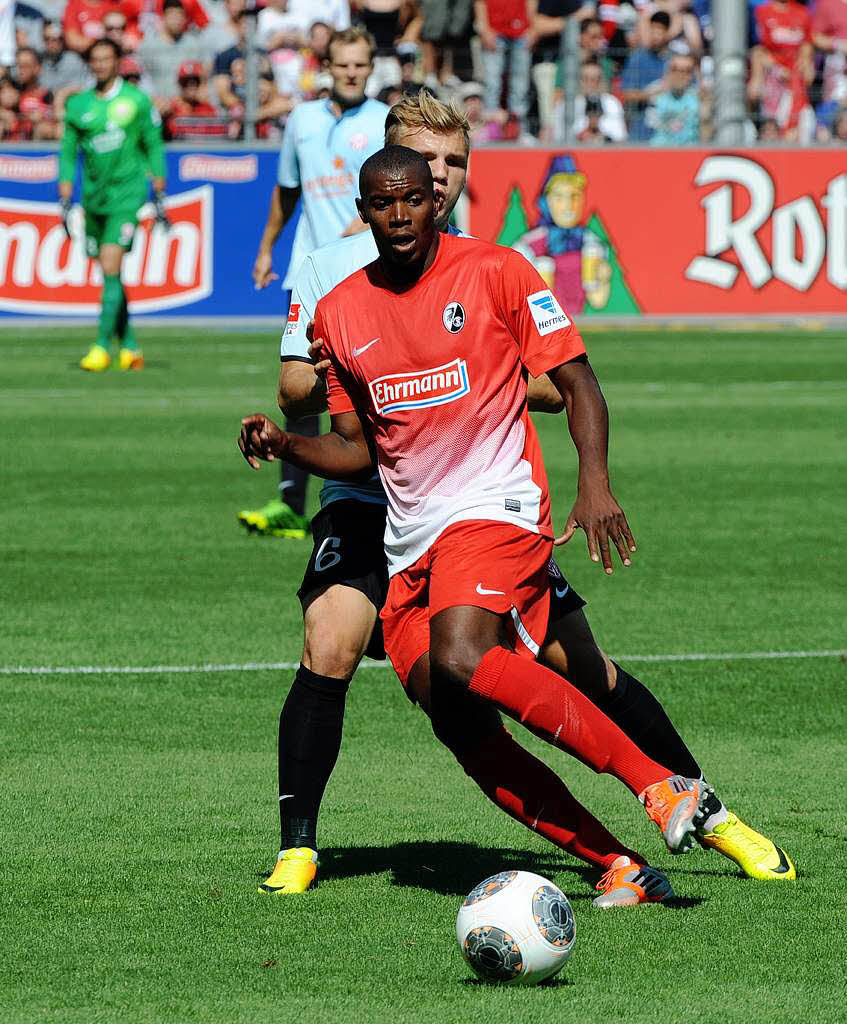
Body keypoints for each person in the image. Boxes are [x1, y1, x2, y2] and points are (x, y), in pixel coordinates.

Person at [241, 111, 795, 896]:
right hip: (410, 542)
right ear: (360, 211)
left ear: (435, 201)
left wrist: (593, 482)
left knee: (470, 656)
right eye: (382, 203)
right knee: (461, 724)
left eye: (416, 196)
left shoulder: (497, 269)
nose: (399, 214)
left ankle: (666, 786)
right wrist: (284, 443)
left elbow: (575, 378)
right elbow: (360, 446)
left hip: (496, 508)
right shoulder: (340, 310)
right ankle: (619, 863)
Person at [241, 26, 389, 540]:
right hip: (309, 271)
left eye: (360, 65)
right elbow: (287, 191)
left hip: (365, 273)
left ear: (372, 68)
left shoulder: (382, 124)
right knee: (301, 387)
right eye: (343, 64)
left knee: (362, 386)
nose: (351, 73)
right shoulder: (301, 120)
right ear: (327, 66)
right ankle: (289, 505)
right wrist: (266, 248)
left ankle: (361, 494)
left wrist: (367, 221)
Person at [58, 37, 168, 371]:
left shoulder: (136, 101)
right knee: (111, 275)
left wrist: (159, 189)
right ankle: (131, 346)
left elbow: (153, 144)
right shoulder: (79, 105)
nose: (101, 64)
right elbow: (67, 152)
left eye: (107, 58)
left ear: (118, 61)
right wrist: (65, 194)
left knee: (110, 266)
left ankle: (101, 346)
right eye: (96, 59)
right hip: (93, 198)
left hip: (127, 196)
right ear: (89, 64)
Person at [474, 0, 535, 129]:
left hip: (521, 30)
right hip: (493, 30)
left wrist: (531, 27)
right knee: (492, 82)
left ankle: (518, 128)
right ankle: (491, 128)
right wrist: (484, 29)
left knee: (520, 84)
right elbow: (480, 2)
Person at [621, 9, 670, 141]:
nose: (655, 36)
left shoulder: (675, 61)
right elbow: (626, 93)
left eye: (660, 31)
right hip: (641, 132)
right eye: (652, 30)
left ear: (667, 33)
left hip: (669, 132)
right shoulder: (637, 58)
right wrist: (652, 93)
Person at [649, 51, 699, 144]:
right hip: (658, 151)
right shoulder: (654, 96)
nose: (680, 75)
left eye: (687, 71)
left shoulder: (699, 100)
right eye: (675, 69)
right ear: (668, 72)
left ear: (692, 75)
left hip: (690, 152)